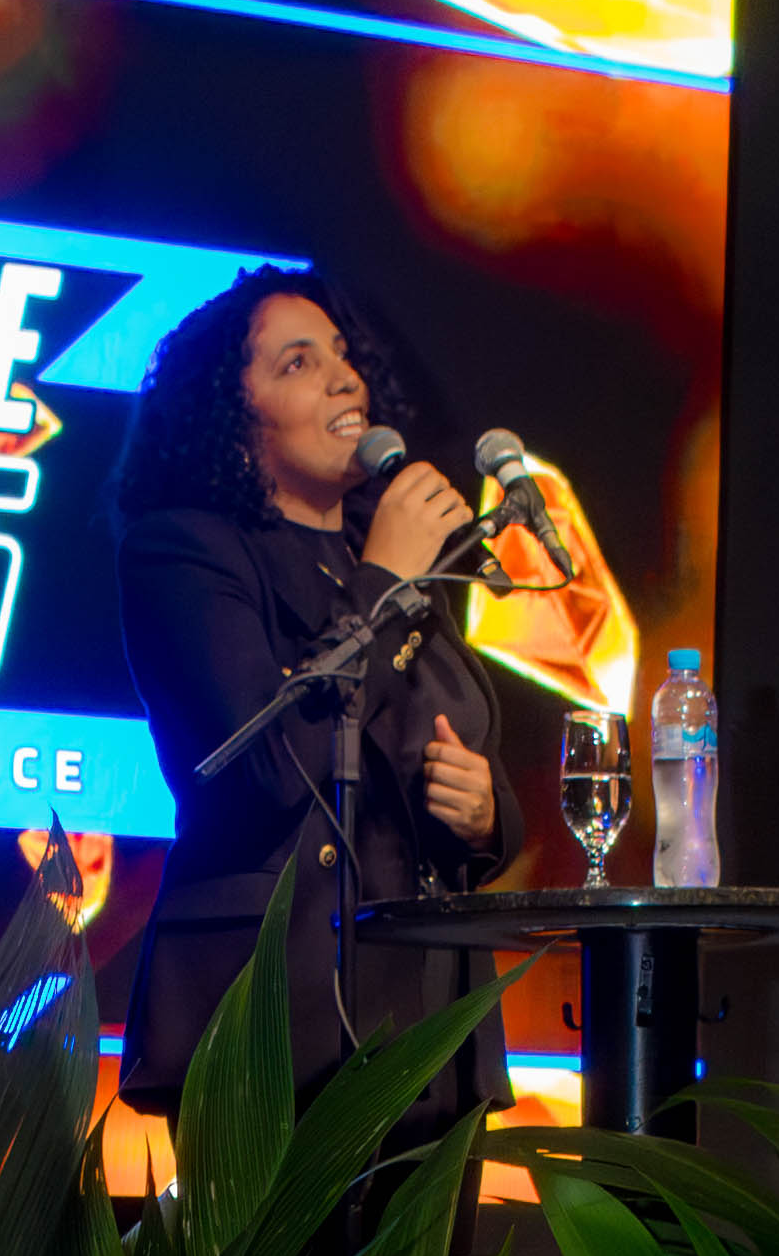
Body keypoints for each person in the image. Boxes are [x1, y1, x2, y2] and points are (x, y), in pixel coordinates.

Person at [114, 267, 524, 1119]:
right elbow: (264, 767)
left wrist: (486, 814)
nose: (344, 379)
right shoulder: (186, 552)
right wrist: (384, 582)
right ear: (235, 422)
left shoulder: (392, 565)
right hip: (271, 1027)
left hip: (428, 1027)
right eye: (297, 363)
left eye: (341, 354)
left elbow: (448, 754)